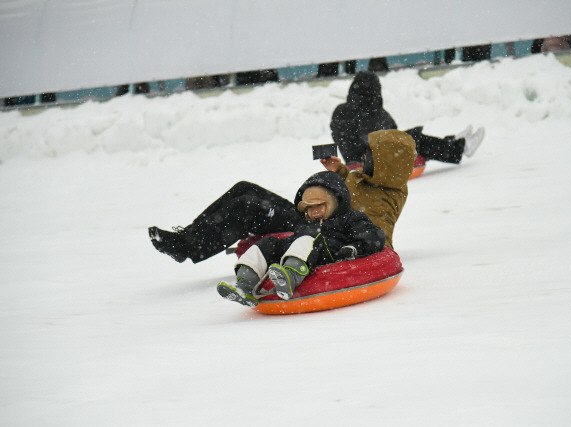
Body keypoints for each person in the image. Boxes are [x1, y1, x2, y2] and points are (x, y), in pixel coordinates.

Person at [148, 129, 416, 263]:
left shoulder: (386, 197)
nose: (363, 158)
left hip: (321, 227)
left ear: (385, 164)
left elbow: (378, 237)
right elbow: (353, 192)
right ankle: (188, 237)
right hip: (315, 212)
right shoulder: (369, 178)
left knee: (248, 206)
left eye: (369, 156)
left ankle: (188, 247)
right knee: (245, 189)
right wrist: (340, 171)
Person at [216, 170, 386, 307]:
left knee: (308, 240)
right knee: (268, 244)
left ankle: (290, 278)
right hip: (304, 249)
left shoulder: (350, 218)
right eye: (309, 208)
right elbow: (296, 241)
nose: (314, 211)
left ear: (335, 202)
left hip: (331, 250)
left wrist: (354, 248)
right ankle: (245, 284)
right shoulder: (305, 224)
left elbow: (373, 234)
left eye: (320, 205)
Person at [330, 71, 484, 167]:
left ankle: (452, 142)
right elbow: (385, 134)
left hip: (359, 158)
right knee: (414, 140)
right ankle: (461, 148)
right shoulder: (372, 112)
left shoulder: (341, 110)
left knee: (411, 139)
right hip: (371, 162)